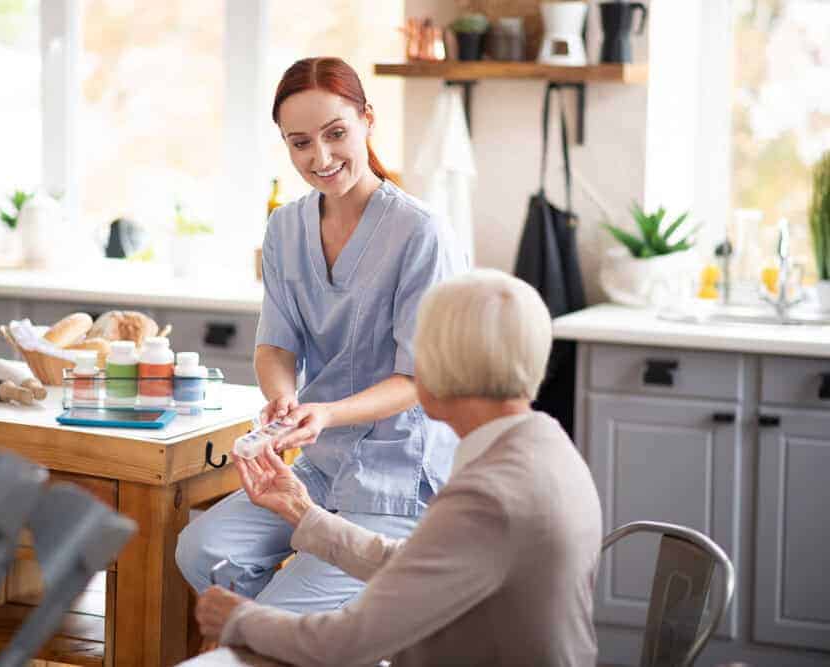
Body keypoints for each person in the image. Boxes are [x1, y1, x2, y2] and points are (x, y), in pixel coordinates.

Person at [190, 270, 604, 667]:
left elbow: (343, 644)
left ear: (442, 364)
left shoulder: (490, 496)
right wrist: (303, 512)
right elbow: (418, 567)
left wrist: (240, 619)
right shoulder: (544, 446)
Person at [174, 56, 467, 614]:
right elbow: (275, 345)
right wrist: (282, 395)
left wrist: (327, 412)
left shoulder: (419, 231)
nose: (321, 157)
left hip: (397, 474)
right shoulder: (285, 227)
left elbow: (418, 379)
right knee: (205, 551)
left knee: (283, 614)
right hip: (319, 461)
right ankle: (326, 644)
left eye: (336, 134)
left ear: (367, 120)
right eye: (300, 143)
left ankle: (314, 640)